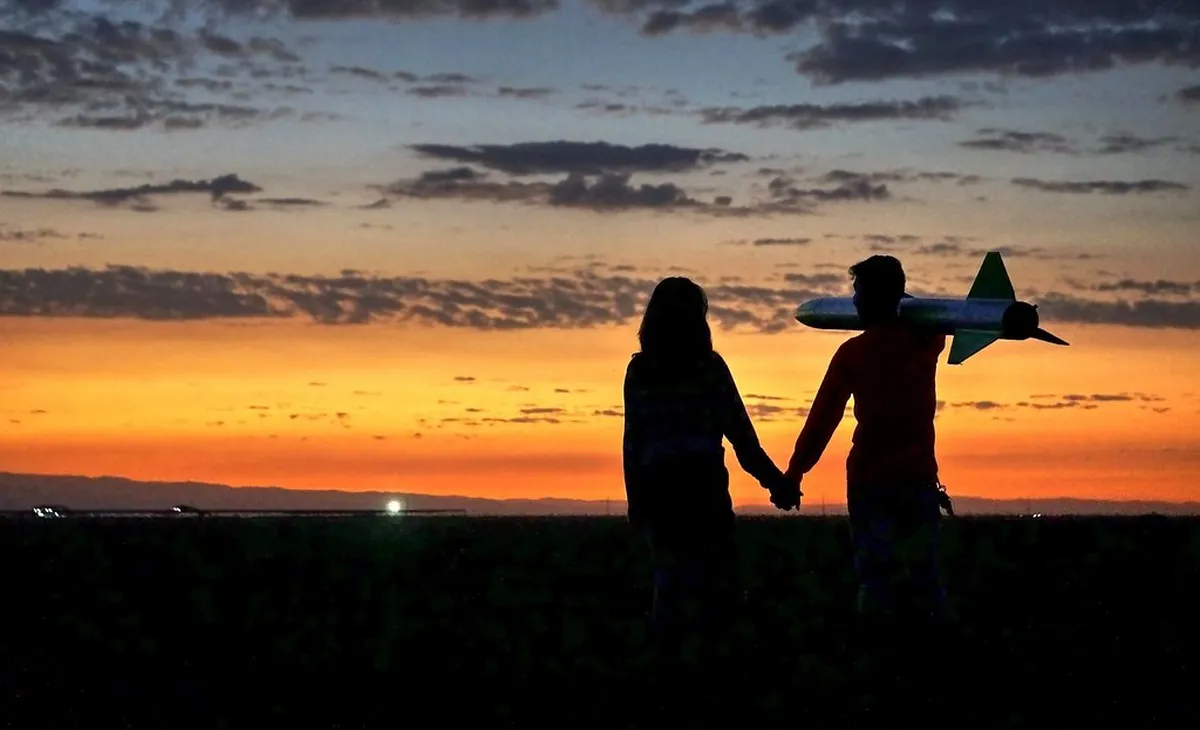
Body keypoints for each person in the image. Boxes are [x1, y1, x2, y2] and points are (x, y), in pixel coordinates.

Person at [622, 277, 800, 671]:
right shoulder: (709, 368)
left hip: (660, 493)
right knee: (717, 588)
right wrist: (778, 484)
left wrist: (637, 503)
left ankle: (668, 672)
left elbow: (633, 442)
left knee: (670, 585)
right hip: (703, 490)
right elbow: (741, 436)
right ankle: (716, 671)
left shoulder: (639, 372)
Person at [782, 255, 951, 634]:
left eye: (858, 291)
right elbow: (930, 318)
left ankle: (877, 647)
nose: (854, 300)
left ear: (870, 297)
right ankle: (935, 647)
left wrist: (796, 471)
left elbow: (822, 419)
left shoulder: (853, 354)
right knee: (926, 575)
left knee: (876, 575)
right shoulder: (925, 343)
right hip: (919, 478)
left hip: (871, 482)